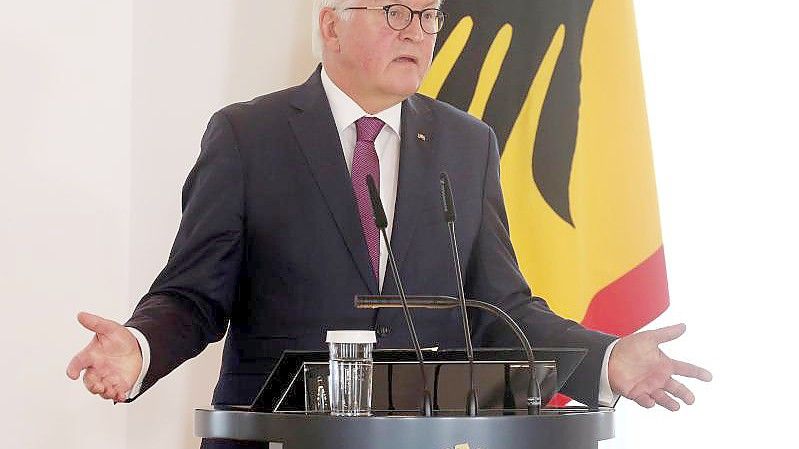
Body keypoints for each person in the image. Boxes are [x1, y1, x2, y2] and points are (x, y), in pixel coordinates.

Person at [67, 0, 712, 446]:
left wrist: (604, 360)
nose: (417, 31)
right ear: (331, 24)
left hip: (423, 439)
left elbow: (499, 308)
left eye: (428, 16)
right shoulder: (247, 135)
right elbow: (194, 294)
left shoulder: (467, 145)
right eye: (394, 12)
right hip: (280, 439)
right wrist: (141, 346)